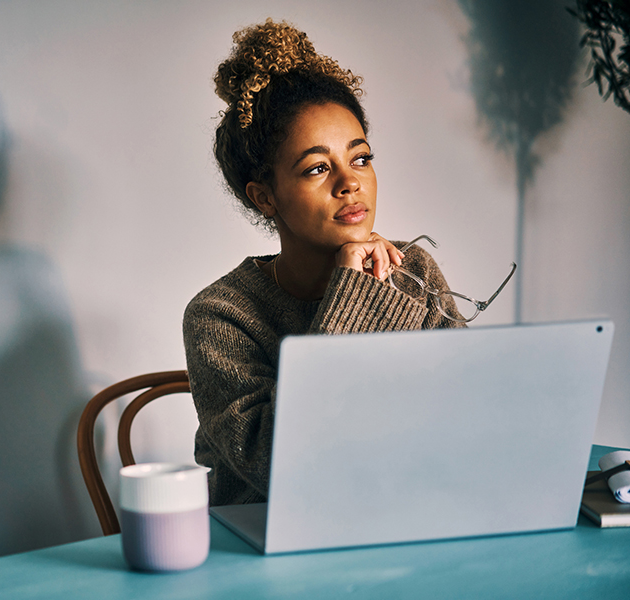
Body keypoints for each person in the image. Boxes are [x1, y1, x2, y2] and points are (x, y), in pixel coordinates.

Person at [183, 19, 466, 507]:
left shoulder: (410, 268)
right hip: (259, 551)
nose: (349, 182)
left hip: (396, 516)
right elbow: (285, 467)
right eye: (317, 168)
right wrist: (353, 297)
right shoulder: (219, 315)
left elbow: (469, 410)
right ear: (265, 196)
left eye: (360, 158)